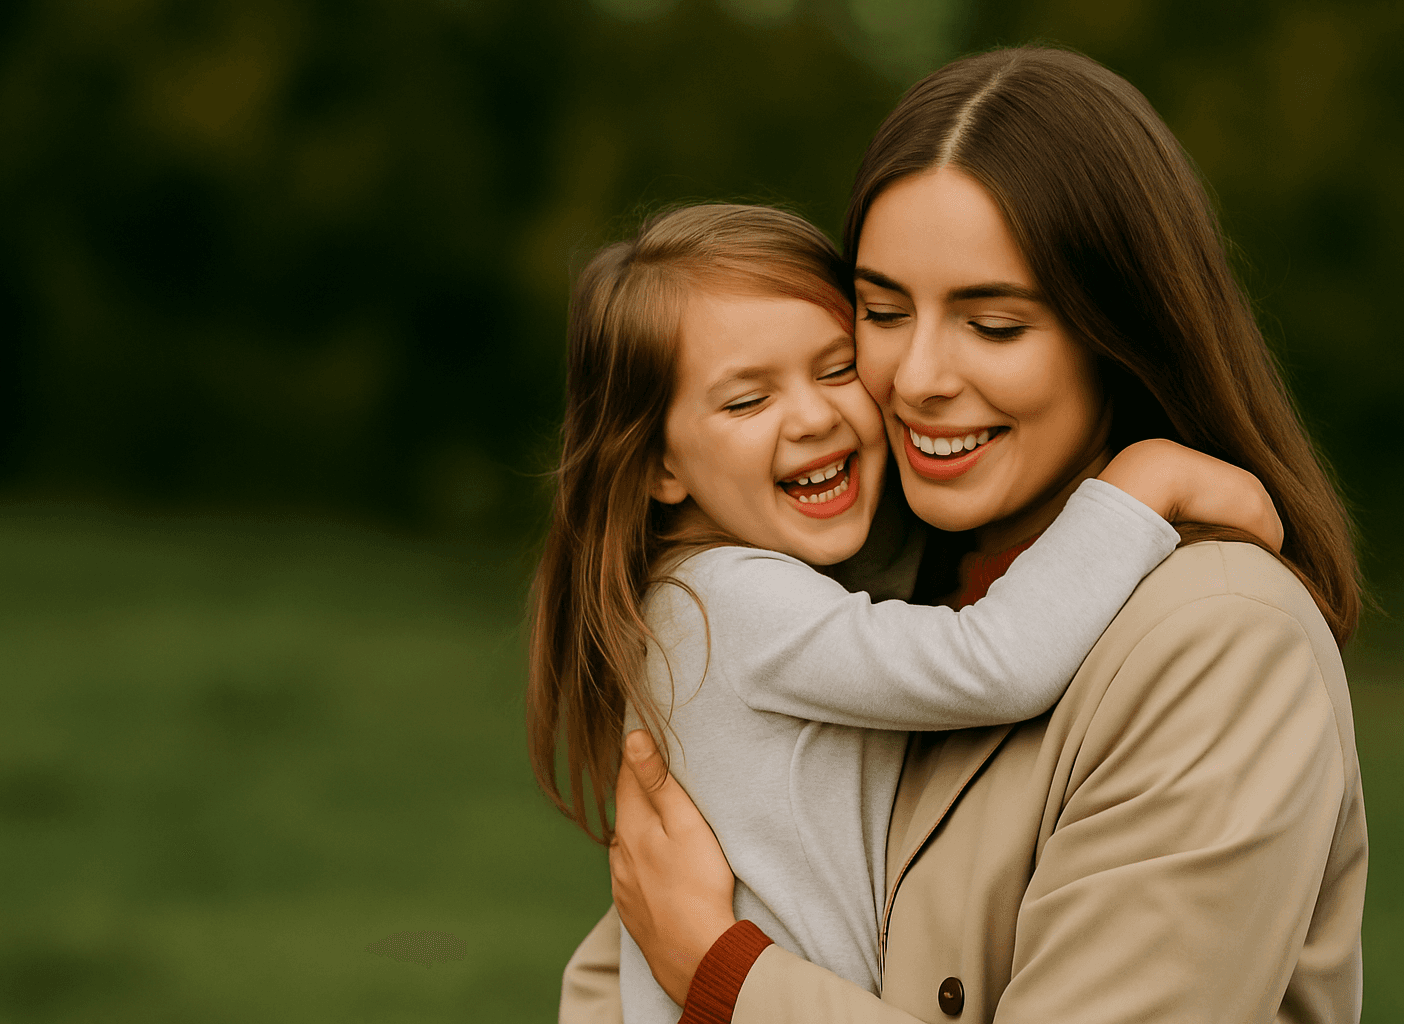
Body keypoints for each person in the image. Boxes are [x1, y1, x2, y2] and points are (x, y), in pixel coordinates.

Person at [560, 47, 1367, 1024]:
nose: (917, 375)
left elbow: (683, 949)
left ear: (1115, 331)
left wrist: (727, 974)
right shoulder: (877, 592)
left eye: (992, 325)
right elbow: (622, 962)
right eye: (884, 311)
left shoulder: (1220, 641)